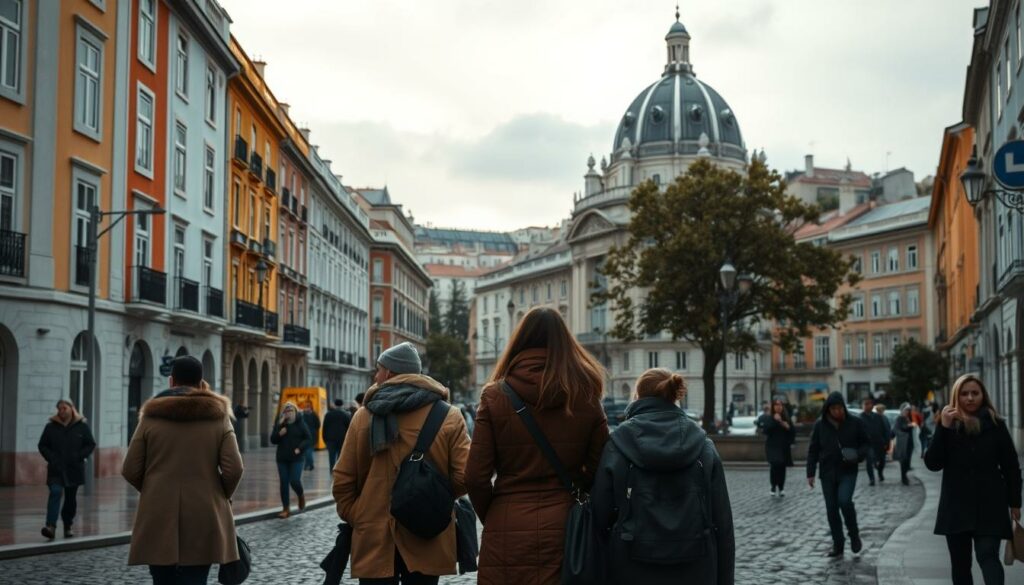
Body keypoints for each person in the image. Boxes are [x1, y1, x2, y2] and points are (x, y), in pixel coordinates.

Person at [465, 307, 609, 585]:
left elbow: (475, 477)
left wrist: (496, 514)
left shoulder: (495, 395)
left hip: (507, 524)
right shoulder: (586, 394)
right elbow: (599, 467)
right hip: (566, 527)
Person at [333, 341, 470, 584]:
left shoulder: (364, 416)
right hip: (427, 532)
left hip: (374, 537)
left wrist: (359, 515)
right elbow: (464, 477)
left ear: (391, 373)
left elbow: (343, 480)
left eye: (379, 369)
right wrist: (436, 500)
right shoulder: (450, 415)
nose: (376, 375)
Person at [591, 368, 734, 584]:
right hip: (697, 566)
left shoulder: (617, 445)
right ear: (673, 396)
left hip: (630, 565)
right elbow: (723, 524)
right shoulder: (704, 445)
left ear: (637, 396)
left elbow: (599, 517)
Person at [122, 355, 243, 584]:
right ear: (200, 383)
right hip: (204, 510)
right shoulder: (218, 417)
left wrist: (153, 488)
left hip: (158, 509)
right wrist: (220, 494)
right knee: (195, 577)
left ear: (171, 382)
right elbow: (234, 468)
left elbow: (130, 468)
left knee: (162, 579)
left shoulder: (150, 417)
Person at [925, 374, 1022, 585]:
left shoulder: (996, 424)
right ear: (956, 397)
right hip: (956, 506)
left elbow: (1011, 466)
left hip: (990, 503)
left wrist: (1015, 502)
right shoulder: (948, 425)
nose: (970, 398)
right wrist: (943, 427)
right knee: (960, 565)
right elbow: (933, 463)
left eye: (975, 393)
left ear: (983, 396)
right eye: (964, 394)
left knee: (988, 556)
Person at [806, 391, 870, 557]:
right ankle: (838, 544)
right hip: (827, 473)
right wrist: (810, 473)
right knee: (831, 509)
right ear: (828, 409)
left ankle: (854, 534)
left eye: (840, 408)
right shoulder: (820, 425)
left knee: (845, 501)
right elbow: (813, 450)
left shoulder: (855, 422)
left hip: (848, 471)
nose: (837, 411)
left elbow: (865, 443)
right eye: (834, 408)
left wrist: (858, 455)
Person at [38, 398, 96, 540]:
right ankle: (50, 526)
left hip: (73, 468)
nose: (62, 411)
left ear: (72, 408)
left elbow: (90, 444)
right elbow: (42, 445)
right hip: (56, 468)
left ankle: (68, 525)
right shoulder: (50, 427)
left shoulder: (81, 426)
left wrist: (79, 456)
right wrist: (51, 458)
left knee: (70, 499)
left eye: (64, 408)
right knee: (55, 492)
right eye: (59, 408)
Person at [271, 401, 311, 518]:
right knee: (284, 482)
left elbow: (308, 438)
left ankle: (301, 495)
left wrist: (299, 448)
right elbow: (273, 440)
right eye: (286, 411)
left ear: (295, 412)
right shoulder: (280, 424)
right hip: (282, 458)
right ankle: (286, 508)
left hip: (297, 458)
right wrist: (279, 434)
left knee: (294, 481)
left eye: (291, 411)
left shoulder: (301, 423)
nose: (288, 413)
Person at [760, 398, 795, 496]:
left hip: (783, 446)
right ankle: (773, 486)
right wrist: (775, 421)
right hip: (772, 446)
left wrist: (787, 426)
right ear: (773, 407)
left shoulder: (787, 418)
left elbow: (792, 431)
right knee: (775, 465)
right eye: (776, 405)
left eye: (780, 405)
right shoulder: (769, 418)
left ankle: (781, 487)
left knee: (782, 467)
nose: (778, 407)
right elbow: (766, 430)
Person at [859, 396, 887, 486]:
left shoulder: (878, 417)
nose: (867, 406)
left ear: (872, 405)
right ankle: (871, 479)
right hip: (867, 444)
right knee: (870, 460)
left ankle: (880, 472)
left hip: (879, 442)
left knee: (882, 460)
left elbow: (884, 429)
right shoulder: (860, 418)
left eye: (868, 403)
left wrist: (886, 441)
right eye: (865, 404)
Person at [322, 399, 352, 471]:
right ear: (342, 405)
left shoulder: (328, 414)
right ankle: (338, 470)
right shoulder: (346, 415)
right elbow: (349, 428)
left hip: (330, 439)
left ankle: (332, 470)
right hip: (342, 439)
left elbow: (325, 427)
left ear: (335, 405)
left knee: (331, 456)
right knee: (340, 455)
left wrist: (325, 439)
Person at [893, 403, 915, 485]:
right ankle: (903, 478)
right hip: (902, 443)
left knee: (907, 460)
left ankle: (905, 476)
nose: (907, 412)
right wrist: (908, 426)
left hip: (909, 442)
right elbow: (896, 429)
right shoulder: (899, 418)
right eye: (906, 410)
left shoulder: (908, 418)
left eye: (908, 410)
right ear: (902, 410)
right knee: (903, 460)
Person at [301, 402, 322, 471]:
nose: (306, 409)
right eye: (306, 407)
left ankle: (308, 465)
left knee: (308, 451)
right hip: (304, 436)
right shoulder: (302, 415)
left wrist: (313, 430)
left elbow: (318, 425)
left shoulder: (314, 415)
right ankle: (309, 465)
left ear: (311, 408)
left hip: (312, 436)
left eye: (308, 407)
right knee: (306, 452)